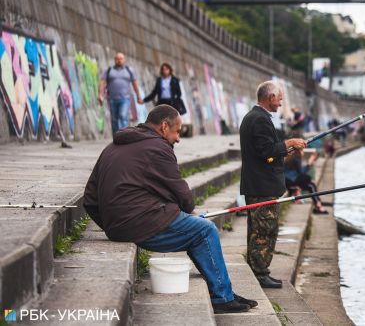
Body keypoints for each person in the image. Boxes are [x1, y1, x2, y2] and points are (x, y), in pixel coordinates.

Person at [83, 105, 256, 313]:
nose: (178, 138)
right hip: (139, 223)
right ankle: (223, 298)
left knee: (194, 228)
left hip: (119, 224)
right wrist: (190, 212)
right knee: (204, 230)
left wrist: (112, 225)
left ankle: (223, 291)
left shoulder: (111, 147)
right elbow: (179, 190)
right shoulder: (158, 147)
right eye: (177, 131)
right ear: (164, 126)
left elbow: (90, 199)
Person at [239, 81, 307, 289]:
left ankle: (258, 271)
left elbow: (267, 154)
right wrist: (289, 143)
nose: (281, 102)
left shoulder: (257, 117)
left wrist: (286, 151)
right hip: (262, 188)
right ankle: (259, 274)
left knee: (258, 230)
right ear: (269, 98)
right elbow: (266, 151)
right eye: (279, 98)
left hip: (260, 185)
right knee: (264, 231)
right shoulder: (259, 119)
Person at [98, 52, 144, 136]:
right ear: (115, 60)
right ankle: (116, 136)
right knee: (114, 119)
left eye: (121, 59)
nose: (119, 60)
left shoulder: (129, 70)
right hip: (112, 99)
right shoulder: (109, 70)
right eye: (117, 59)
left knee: (123, 116)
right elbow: (102, 82)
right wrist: (100, 95)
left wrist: (138, 96)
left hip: (125, 99)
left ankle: (124, 136)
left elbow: (135, 84)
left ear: (124, 60)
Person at [284, 149, 328, 214]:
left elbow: (298, 173)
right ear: (298, 152)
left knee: (311, 185)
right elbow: (301, 173)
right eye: (302, 151)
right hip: (291, 181)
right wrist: (309, 163)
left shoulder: (291, 158)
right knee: (310, 182)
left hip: (289, 181)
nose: (303, 152)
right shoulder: (296, 159)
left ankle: (318, 205)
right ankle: (318, 205)